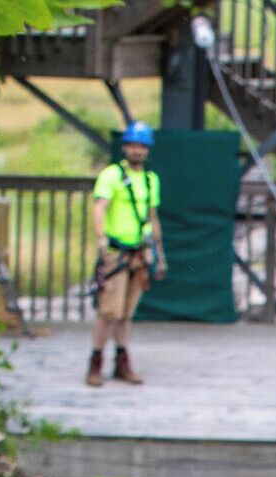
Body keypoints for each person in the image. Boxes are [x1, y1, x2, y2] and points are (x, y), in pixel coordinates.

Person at [88, 122, 162, 387]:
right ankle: (95, 361)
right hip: (116, 253)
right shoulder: (111, 176)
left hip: (139, 254)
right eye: (133, 145)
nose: (137, 151)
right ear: (125, 148)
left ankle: (122, 361)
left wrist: (158, 252)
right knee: (110, 311)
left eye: (142, 146)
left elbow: (152, 218)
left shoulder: (151, 181)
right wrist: (101, 237)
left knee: (127, 313)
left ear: (147, 150)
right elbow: (100, 208)